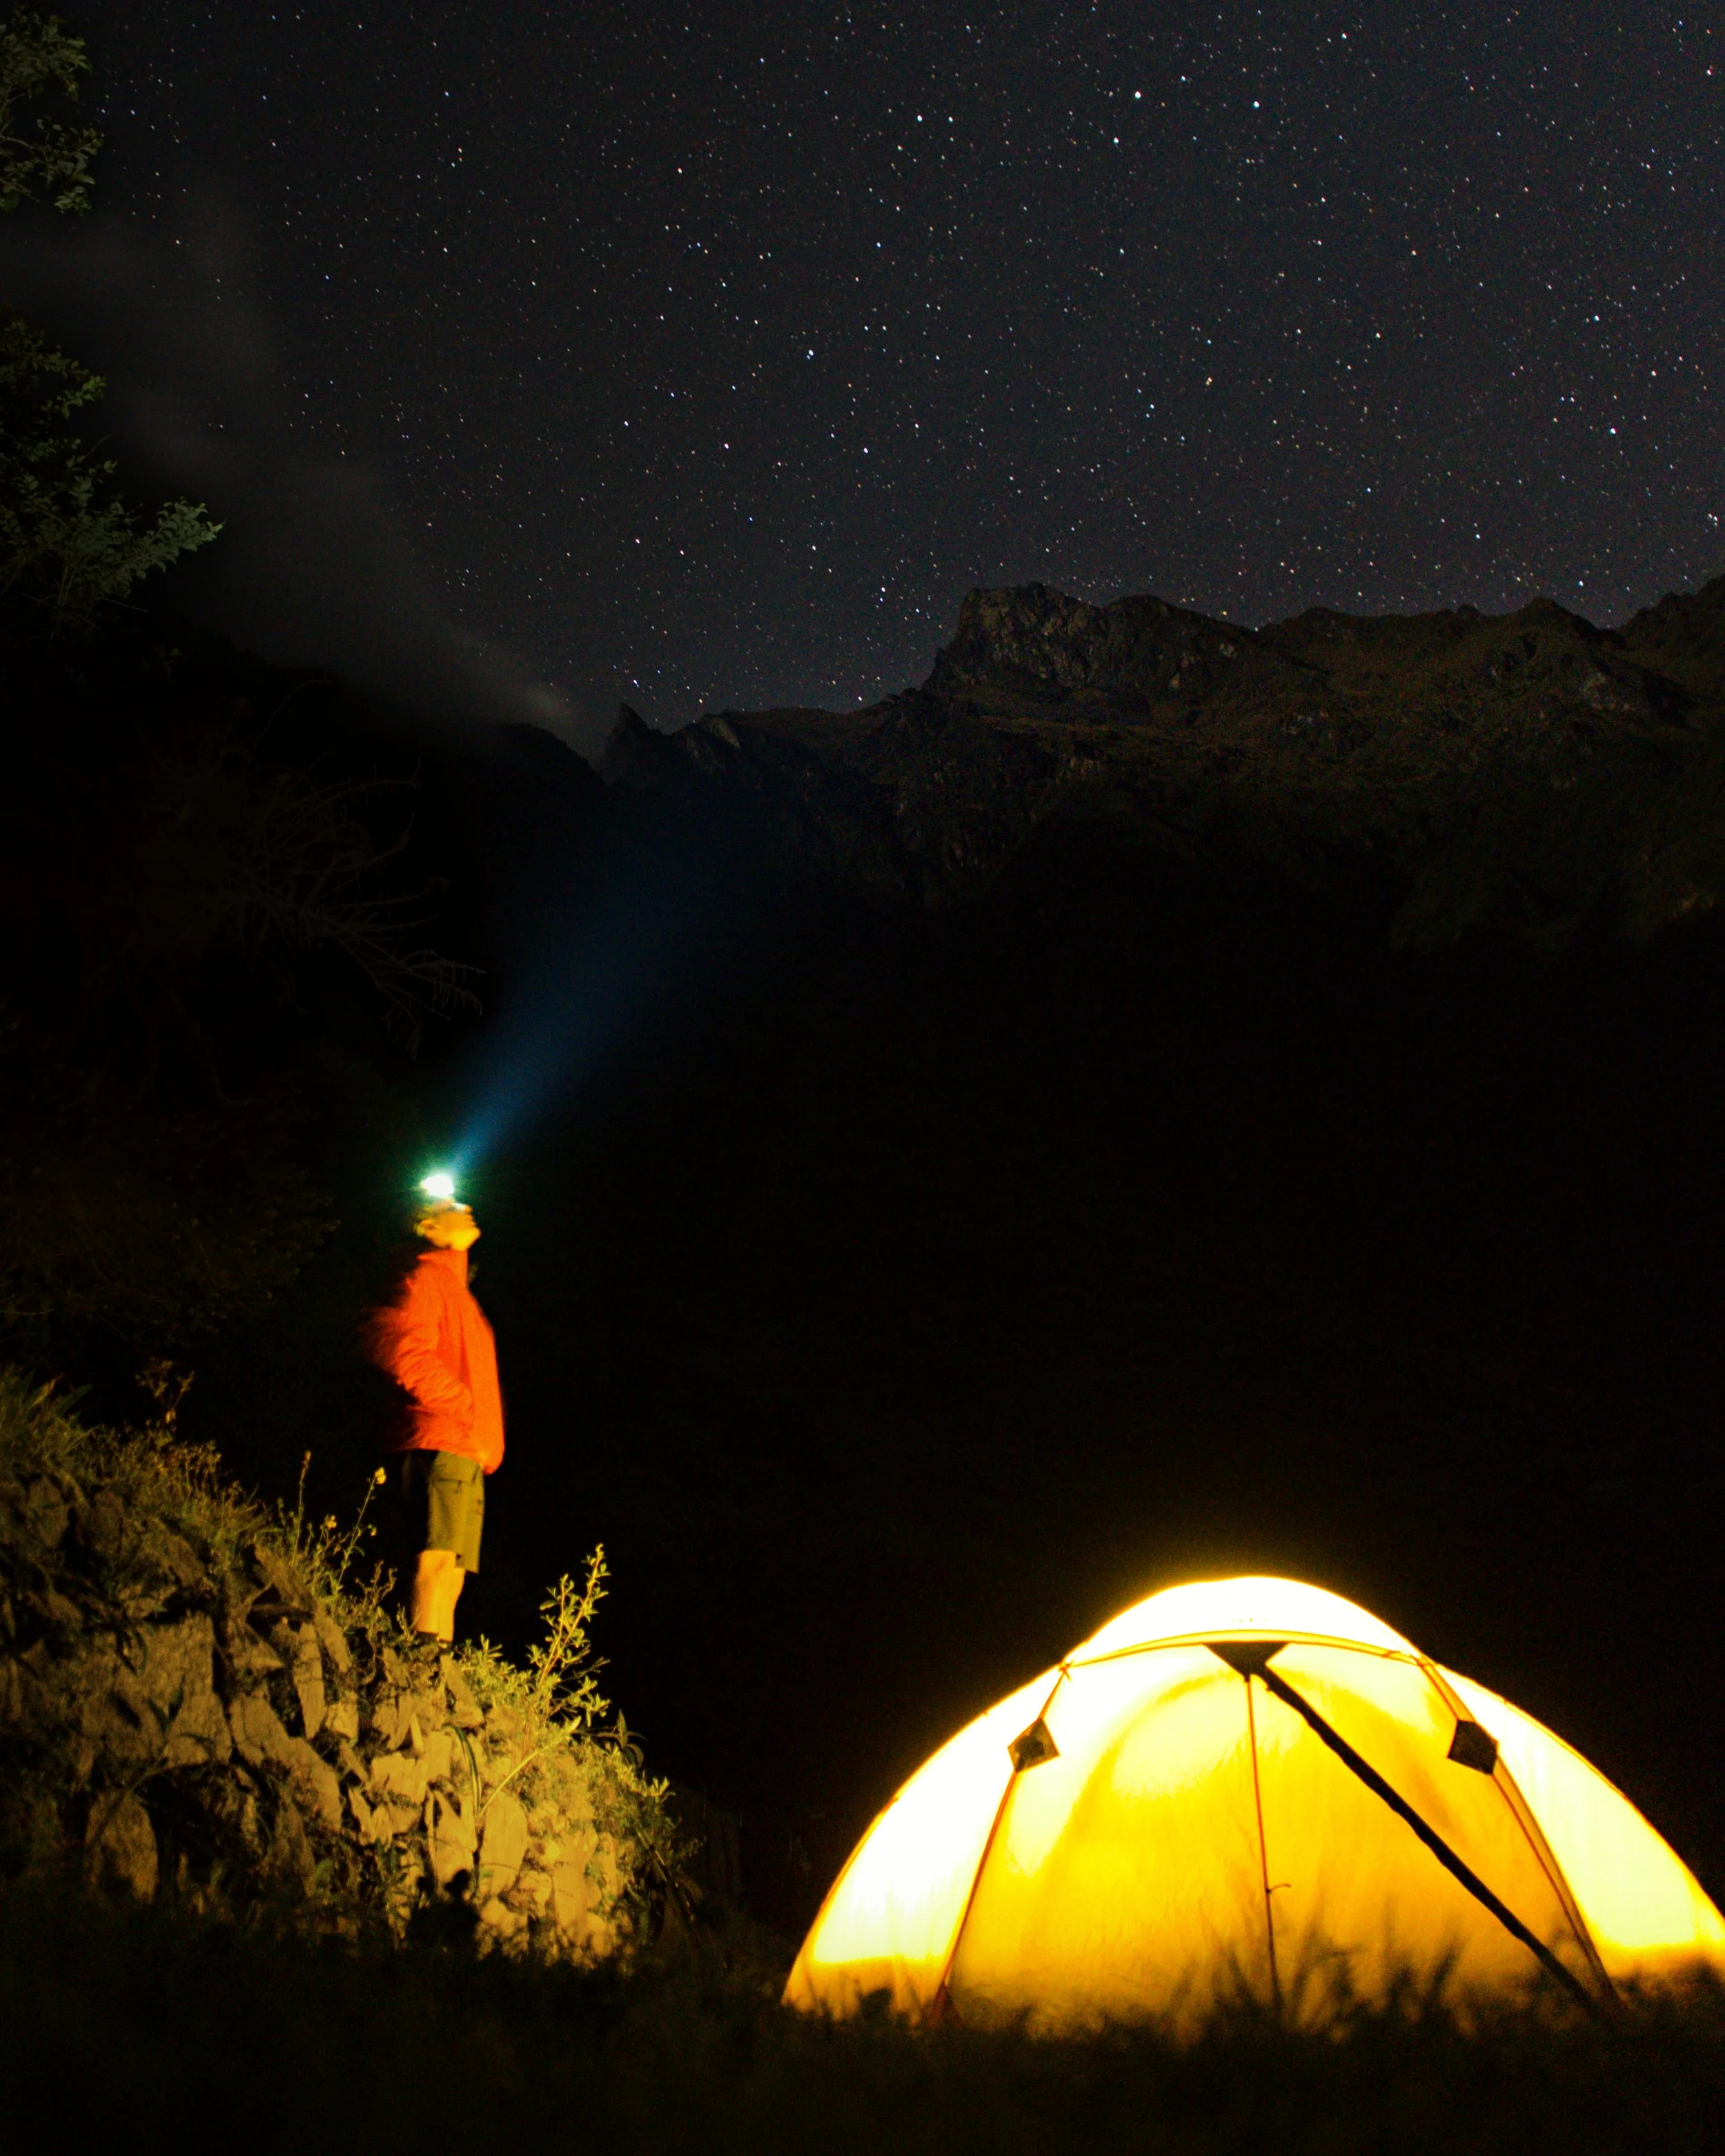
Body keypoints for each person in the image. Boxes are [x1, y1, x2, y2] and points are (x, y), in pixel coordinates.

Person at [364, 1188, 504, 1645]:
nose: (465, 1205)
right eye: (450, 1205)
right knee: (435, 1560)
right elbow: (397, 1347)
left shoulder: (456, 1291)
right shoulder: (420, 1278)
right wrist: (462, 1408)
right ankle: (418, 1673)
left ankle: (436, 1675)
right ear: (428, 1227)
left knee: (455, 1573)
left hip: (465, 1446)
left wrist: (480, 1434)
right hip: (439, 1438)